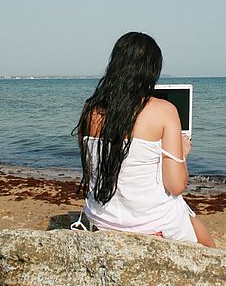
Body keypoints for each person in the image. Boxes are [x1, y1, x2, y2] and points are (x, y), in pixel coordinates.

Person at [74, 31, 215, 247]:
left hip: (100, 218)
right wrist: (183, 154)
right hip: (151, 223)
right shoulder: (164, 111)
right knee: (208, 245)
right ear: (151, 71)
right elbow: (176, 186)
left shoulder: (90, 109)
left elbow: (95, 168)